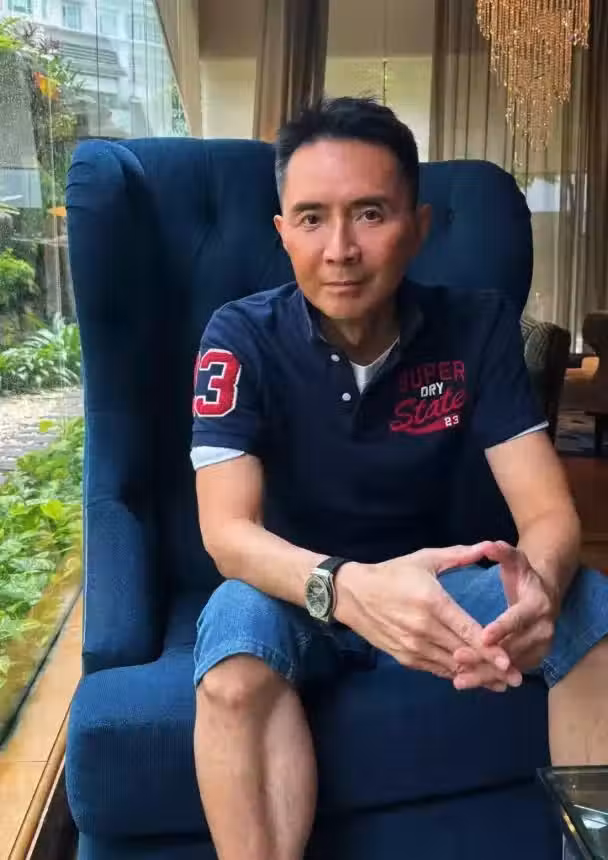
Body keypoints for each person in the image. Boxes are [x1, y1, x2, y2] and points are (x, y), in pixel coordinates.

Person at [189, 97, 608, 860]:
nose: (340, 249)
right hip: (297, 589)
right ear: (282, 232)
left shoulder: (477, 327)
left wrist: (540, 591)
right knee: (232, 654)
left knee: (594, 611)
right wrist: (350, 589)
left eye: (370, 214)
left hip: (446, 586)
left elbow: (549, 515)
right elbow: (227, 534)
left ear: (418, 227)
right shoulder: (239, 337)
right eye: (311, 218)